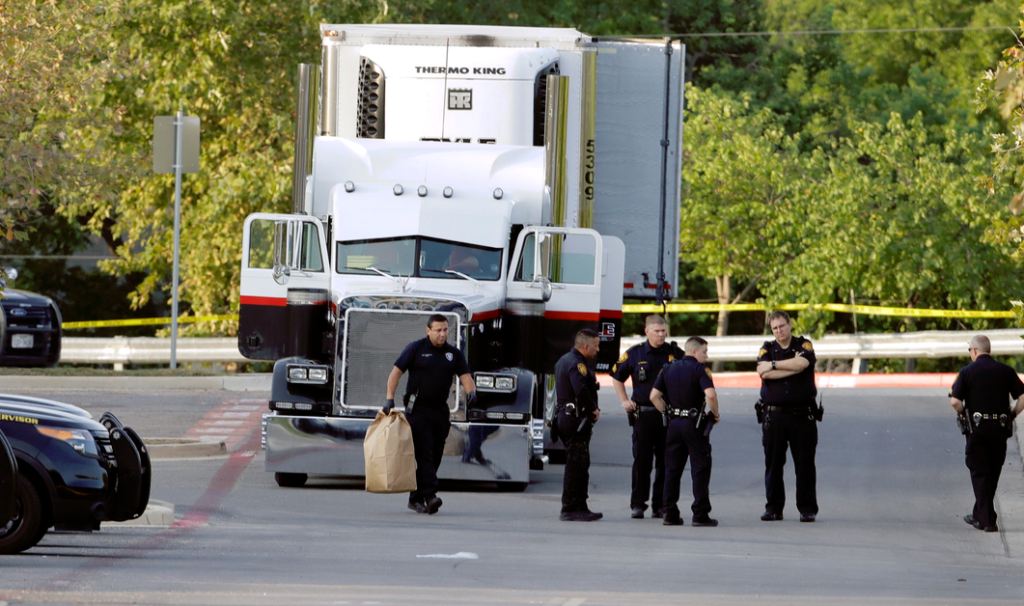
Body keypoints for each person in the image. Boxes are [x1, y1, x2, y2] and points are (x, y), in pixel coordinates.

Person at [385, 314, 476, 515]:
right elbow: (396, 373)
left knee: (435, 455)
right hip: (418, 410)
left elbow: (465, 376)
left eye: (445, 330)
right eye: (438, 330)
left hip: (440, 410)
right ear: (428, 331)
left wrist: (472, 393)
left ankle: (415, 497)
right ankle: (430, 496)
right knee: (424, 452)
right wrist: (389, 398)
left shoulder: (453, 354)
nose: (443, 334)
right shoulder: (415, 349)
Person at [612, 315, 685, 519]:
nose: (661, 334)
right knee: (642, 462)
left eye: (663, 331)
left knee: (665, 461)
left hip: (667, 416)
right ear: (647, 332)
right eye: (657, 331)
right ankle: (638, 504)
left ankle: (660, 505)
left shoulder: (674, 353)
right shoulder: (635, 354)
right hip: (643, 415)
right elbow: (617, 376)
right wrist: (625, 400)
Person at [949, 335, 1024, 532]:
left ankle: (987, 521)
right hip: (1000, 428)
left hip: (978, 428)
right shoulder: (1006, 371)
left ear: (974, 350)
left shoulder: (966, 372)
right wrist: (1013, 414)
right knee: (992, 472)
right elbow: (1023, 396)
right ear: (988, 350)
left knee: (981, 473)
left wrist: (963, 413)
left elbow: (955, 401)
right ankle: (980, 514)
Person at [755, 310, 819, 523]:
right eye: (775, 328)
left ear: (790, 324)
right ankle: (773, 508)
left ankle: (807, 508)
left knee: (805, 465)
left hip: (802, 416)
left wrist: (773, 365)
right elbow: (762, 372)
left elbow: (802, 364)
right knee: (773, 464)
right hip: (774, 416)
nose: (779, 331)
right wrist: (788, 367)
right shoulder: (767, 348)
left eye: (782, 326)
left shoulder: (804, 345)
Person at [649, 336, 719, 527]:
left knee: (672, 469)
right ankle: (700, 514)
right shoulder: (700, 369)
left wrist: (667, 412)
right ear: (694, 352)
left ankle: (669, 513)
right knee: (700, 468)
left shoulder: (668, 368)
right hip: (694, 424)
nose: (707, 356)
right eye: (705, 351)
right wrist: (715, 413)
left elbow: (654, 396)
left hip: (674, 424)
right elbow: (710, 395)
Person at [554, 328, 603, 522]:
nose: (597, 350)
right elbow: (580, 389)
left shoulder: (564, 360)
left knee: (579, 463)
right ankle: (571, 508)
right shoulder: (577, 364)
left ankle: (580, 506)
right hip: (575, 419)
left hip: (566, 417)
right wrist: (593, 409)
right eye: (596, 345)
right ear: (586, 346)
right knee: (577, 465)